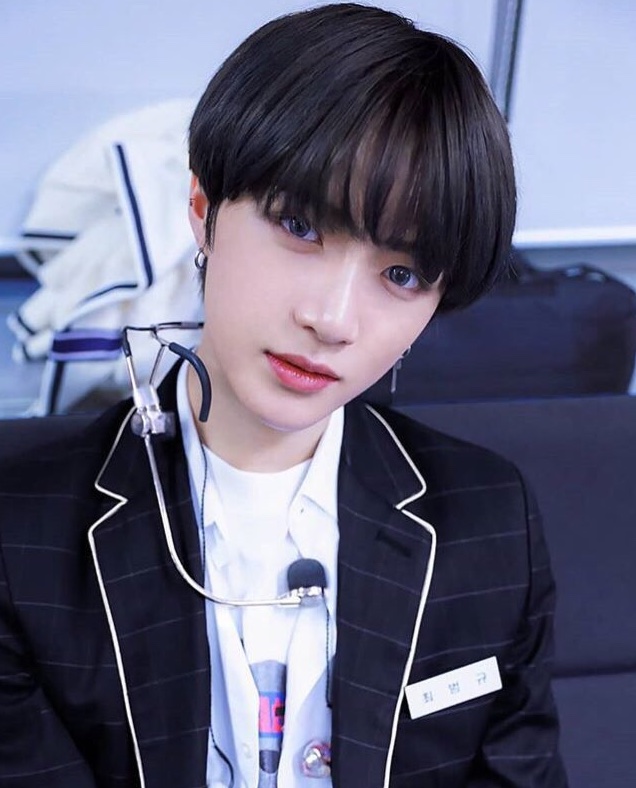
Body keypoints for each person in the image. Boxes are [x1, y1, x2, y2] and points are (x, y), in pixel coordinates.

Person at [0, 3, 568, 786]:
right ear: (203, 211)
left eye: (402, 274)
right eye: (300, 227)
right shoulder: (22, 536)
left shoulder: (489, 520)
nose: (332, 319)